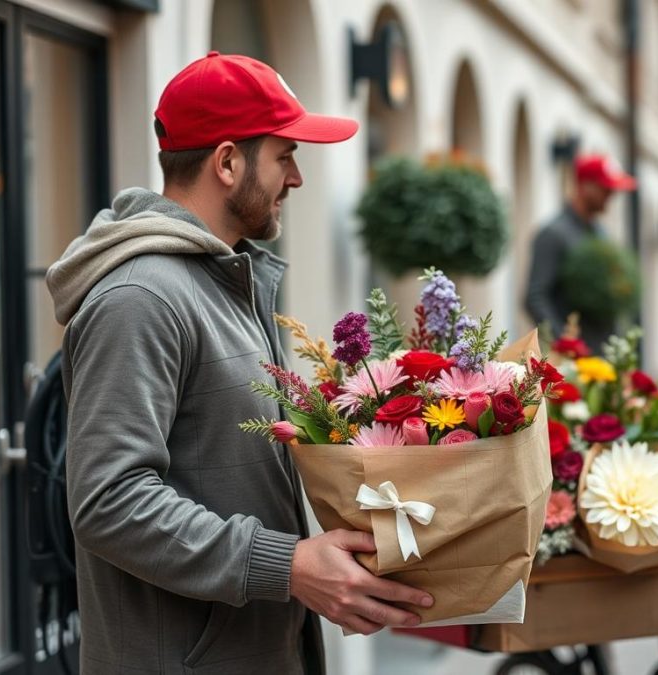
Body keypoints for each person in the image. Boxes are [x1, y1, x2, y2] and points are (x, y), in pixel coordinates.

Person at [46, 52, 432, 675]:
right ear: (227, 162)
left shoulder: (223, 280)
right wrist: (288, 565)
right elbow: (109, 500)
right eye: (284, 156)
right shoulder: (140, 298)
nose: (297, 178)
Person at [524, 153, 636, 351]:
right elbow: (535, 298)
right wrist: (566, 346)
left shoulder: (600, 233)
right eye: (606, 189)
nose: (612, 195)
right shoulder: (553, 234)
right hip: (572, 366)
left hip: (603, 356)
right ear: (585, 187)